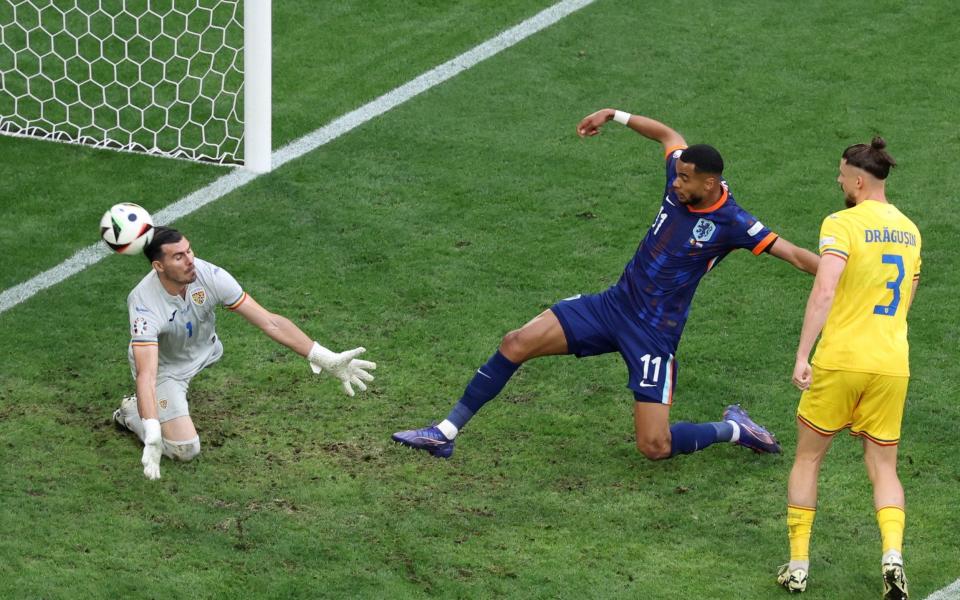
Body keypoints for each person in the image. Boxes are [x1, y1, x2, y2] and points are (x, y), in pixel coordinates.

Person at [392, 108, 819, 461]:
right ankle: (444, 433)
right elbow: (668, 134)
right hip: (612, 306)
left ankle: (734, 428)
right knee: (516, 341)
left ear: (709, 183)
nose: (675, 181)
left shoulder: (734, 223)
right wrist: (614, 114)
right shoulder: (681, 174)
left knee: (655, 446)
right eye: (677, 174)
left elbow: (797, 257)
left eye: (684, 178)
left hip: (654, 334)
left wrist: (848, 272)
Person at [113, 226, 376, 480]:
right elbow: (146, 375)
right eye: (178, 256)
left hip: (206, 350)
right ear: (158, 266)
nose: (190, 260)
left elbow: (269, 321)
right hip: (166, 369)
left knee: (208, 354)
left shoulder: (208, 274)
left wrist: (324, 358)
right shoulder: (144, 303)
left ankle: (160, 409)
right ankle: (133, 412)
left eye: (189, 251)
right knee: (186, 449)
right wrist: (152, 430)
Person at [778, 138, 920, 599]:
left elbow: (824, 290)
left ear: (859, 180)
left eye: (841, 174)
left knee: (808, 457)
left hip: (841, 360)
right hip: (891, 363)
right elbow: (906, 307)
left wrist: (803, 354)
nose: (838, 181)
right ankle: (893, 559)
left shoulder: (842, 223)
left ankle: (798, 565)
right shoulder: (912, 231)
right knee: (883, 467)